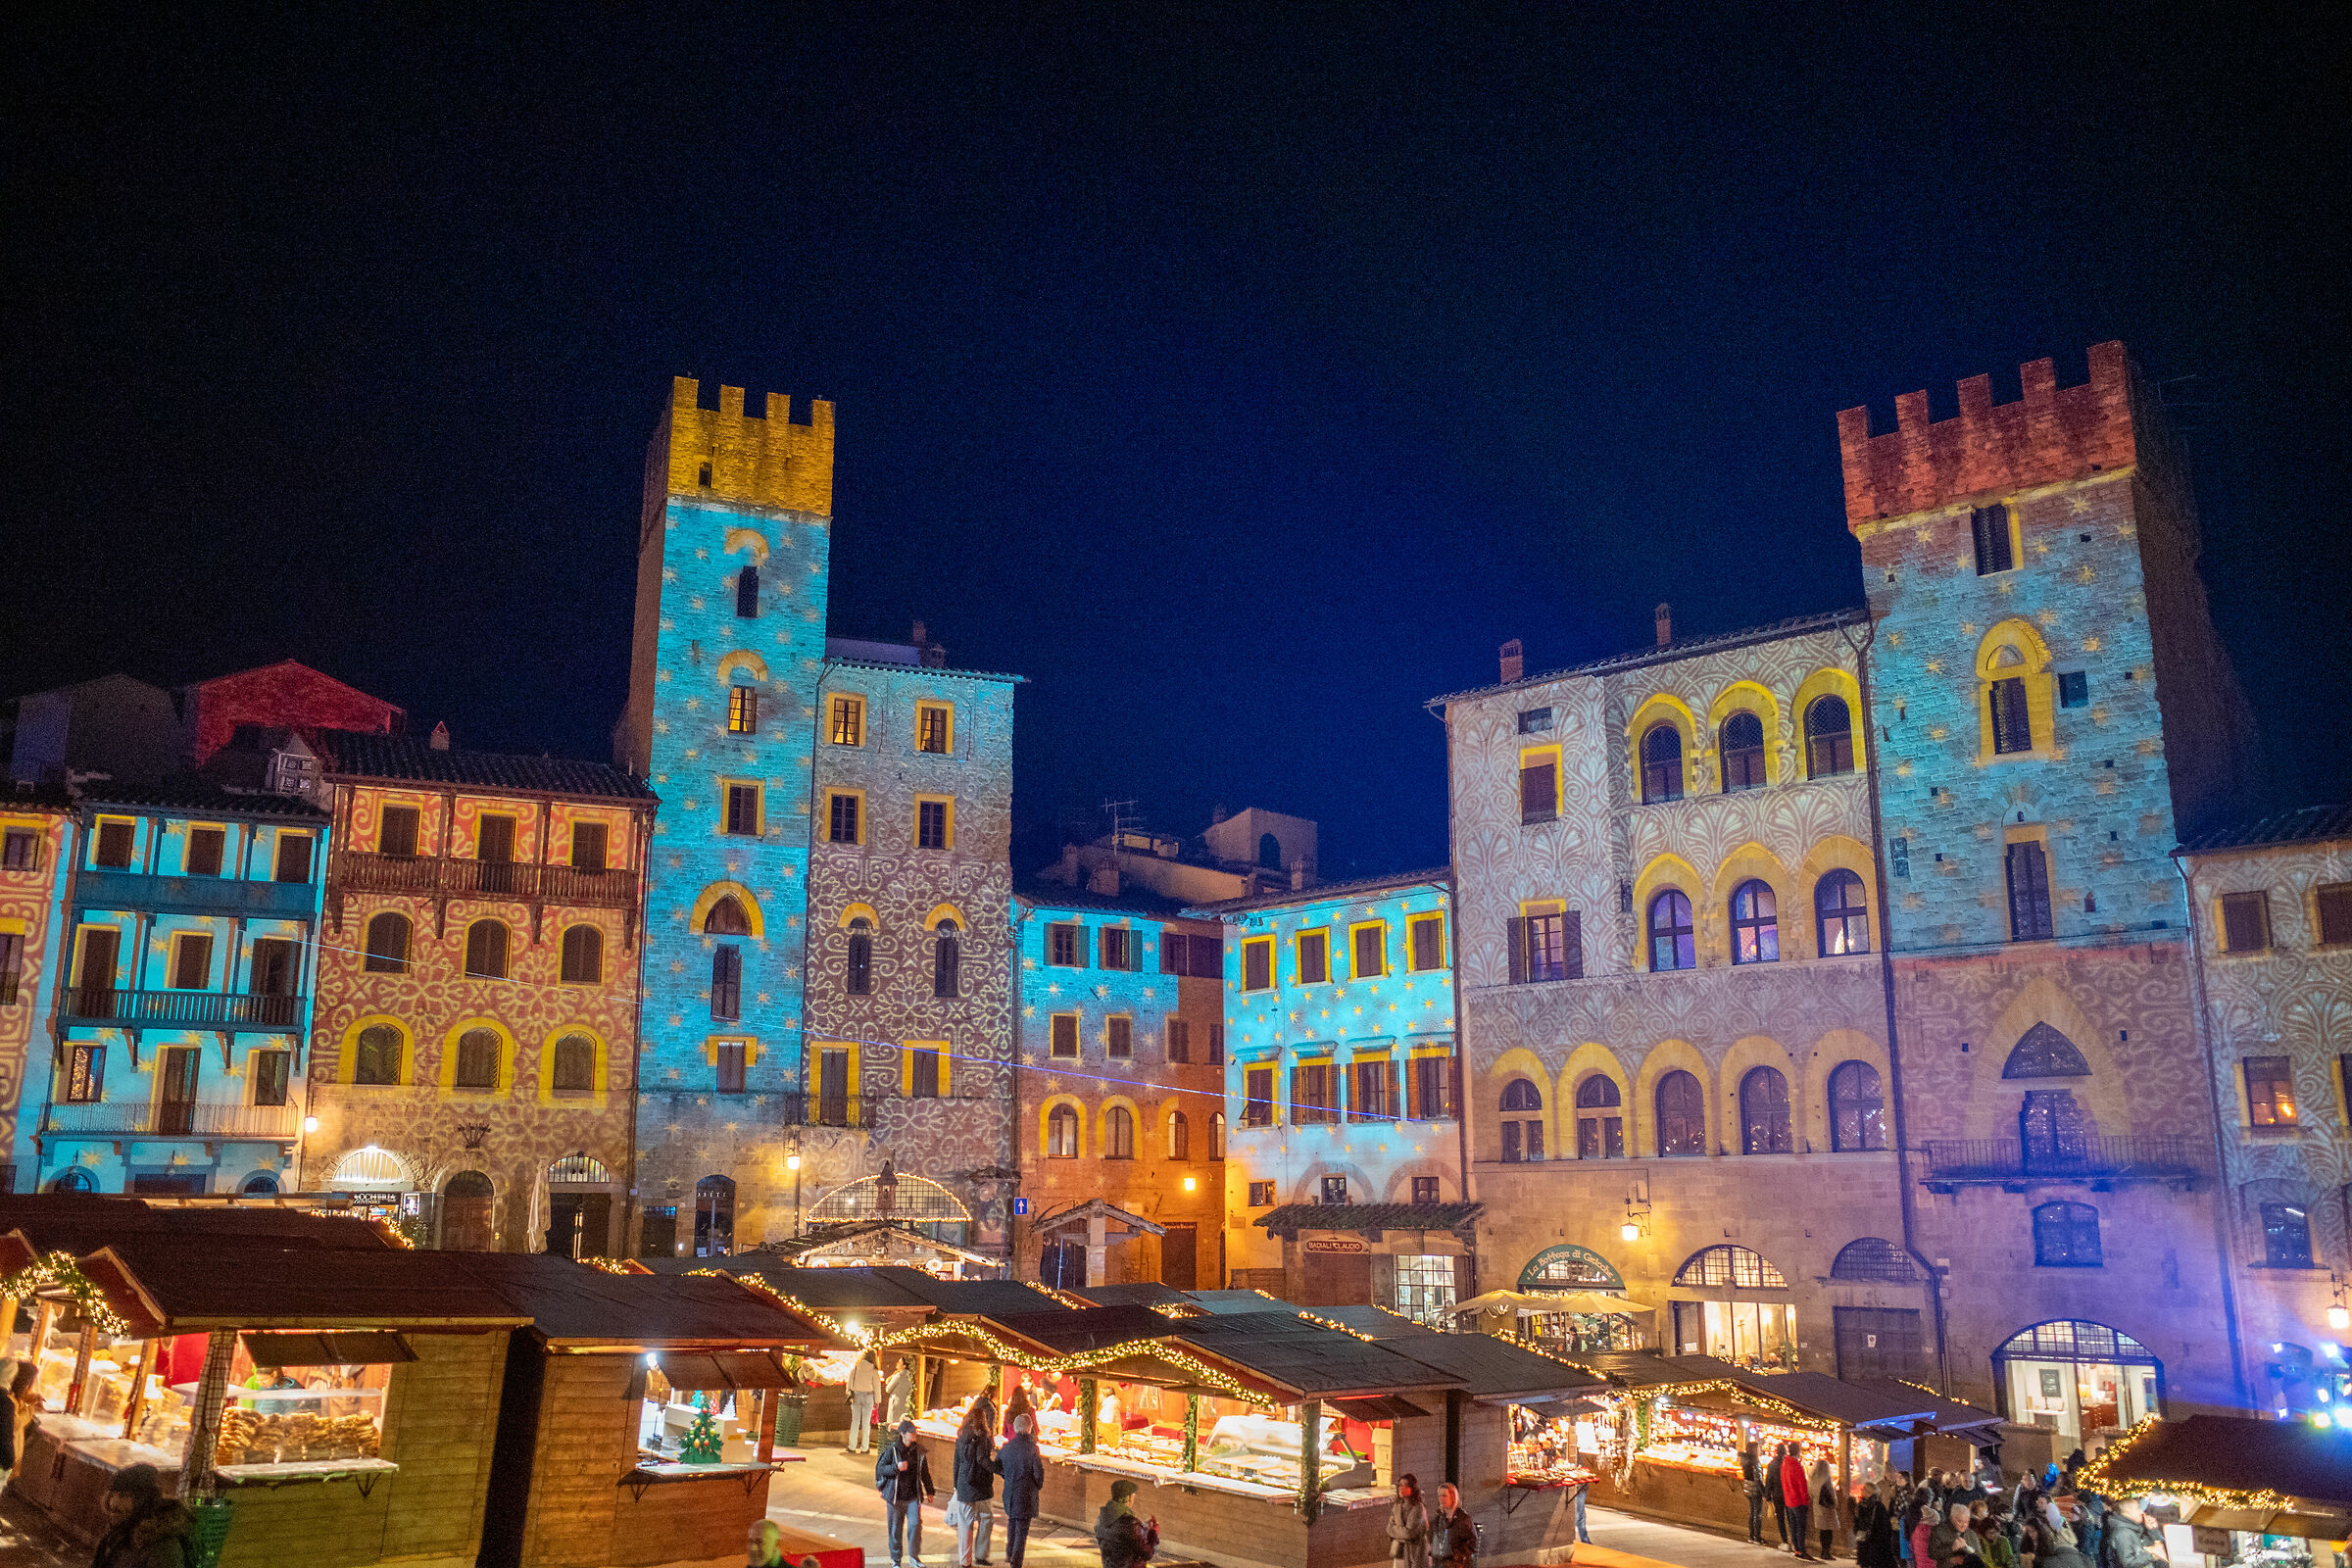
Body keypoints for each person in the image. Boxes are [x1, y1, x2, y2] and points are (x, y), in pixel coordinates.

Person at [90, 1463, 195, 1568]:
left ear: (142, 1501)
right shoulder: (118, 1535)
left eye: (124, 1496)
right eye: (112, 1495)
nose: (113, 1503)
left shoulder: (162, 1547)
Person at [877, 1418, 937, 1568]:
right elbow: (881, 1468)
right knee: (895, 1529)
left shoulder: (919, 1451)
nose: (914, 1434)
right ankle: (896, 1560)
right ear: (903, 1434)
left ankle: (914, 1558)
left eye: (914, 1431)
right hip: (895, 1497)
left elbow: (925, 1473)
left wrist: (930, 1491)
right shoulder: (892, 1450)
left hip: (912, 1497)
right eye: (911, 1432)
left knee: (915, 1525)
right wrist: (896, 1468)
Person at [954, 1399, 1001, 1568]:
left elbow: (956, 1462)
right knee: (986, 1518)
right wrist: (998, 1469)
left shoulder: (961, 1438)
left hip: (965, 1485)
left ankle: (964, 1560)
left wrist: (956, 1484)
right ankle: (981, 1554)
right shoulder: (983, 1437)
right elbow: (982, 1460)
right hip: (981, 1485)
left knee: (965, 1523)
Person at [998, 1413, 1045, 1568]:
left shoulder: (1007, 1447)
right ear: (1029, 1428)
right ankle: (1016, 1562)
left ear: (1015, 1428)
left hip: (1010, 1494)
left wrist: (1007, 1477)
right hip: (1026, 1495)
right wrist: (1036, 1486)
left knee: (1012, 1522)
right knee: (1022, 1530)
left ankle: (1009, 1553)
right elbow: (1038, 1473)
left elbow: (998, 1466)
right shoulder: (1032, 1449)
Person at [1095, 1477, 1156, 1568]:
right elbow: (1147, 1554)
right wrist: (1153, 1533)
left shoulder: (1101, 1519)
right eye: (1133, 1496)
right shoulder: (1131, 1524)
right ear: (1129, 1498)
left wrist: (1141, 1529)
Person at [2103, 1499, 2167, 1568]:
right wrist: (2152, 1556)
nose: (2141, 1512)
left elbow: (2154, 1545)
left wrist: (2152, 1529)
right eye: (2138, 1508)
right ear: (2128, 1512)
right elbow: (2128, 1564)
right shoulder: (2123, 1533)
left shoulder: (2135, 1528)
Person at [1387, 1473, 1430, 1568]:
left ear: (1412, 1488)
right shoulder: (1397, 1506)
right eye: (1400, 1485)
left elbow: (1409, 1533)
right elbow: (1389, 1529)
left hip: (1414, 1553)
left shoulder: (1418, 1507)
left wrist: (1396, 1532)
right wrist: (1401, 1532)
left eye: (1405, 1485)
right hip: (1399, 1552)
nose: (1402, 1488)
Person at [1431, 1482, 1477, 1568]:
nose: (1441, 1499)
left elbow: (1471, 1541)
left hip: (1457, 1563)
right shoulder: (1439, 1518)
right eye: (1439, 1496)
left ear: (1452, 1497)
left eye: (1444, 1496)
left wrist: (1458, 1555)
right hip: (1441, 1562)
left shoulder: (1462, 1518)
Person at [1782, 1443, 1815, 1560]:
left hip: (1789, 1500)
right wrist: (1806, 1500)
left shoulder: (1784, 1464)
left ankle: (1796, 1549)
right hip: (1798, 1501)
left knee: (1793, 1526)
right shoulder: (1797, 1466)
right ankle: (1801, 1551)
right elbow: (1802, 1486)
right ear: (1798, 1451)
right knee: (1801, 1527)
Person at [1854, 1480, 1898, 1568]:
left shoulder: (1878, 1507)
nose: (1862, 1491)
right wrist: (1857, 1531)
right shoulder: (1861, 1505)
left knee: (1875, 1563)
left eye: (1864, 1489)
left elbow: (1884, 1526)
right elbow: (1857, 1521)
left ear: (1869, 1492)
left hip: (1876, 1544)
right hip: (1864, 1542)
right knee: (1865, 1563)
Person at [848, 1352, 883, 1453]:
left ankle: (852, 1446)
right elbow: (877, 1386)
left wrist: (849, 1393)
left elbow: (849, 1383)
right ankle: (865, 1447)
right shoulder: (873, 1370)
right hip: (869, 1396)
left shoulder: (855, 1368)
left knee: (855, 1421)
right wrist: (877, 1400)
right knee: (866, 1423)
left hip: (856, 1396)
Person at [1743, 1441, 1769, 1544]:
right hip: (1755, 1490)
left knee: (1752, 1512)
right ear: (1754, 1450)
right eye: (1758, 1449)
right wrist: (1764, 1492)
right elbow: (1758, 1478)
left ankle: (1751, 1535)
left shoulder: (1745, 1460)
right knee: (1757, 1514)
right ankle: (1757, 1536)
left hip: (1748, 1489)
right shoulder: (1755, 1462)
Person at [1813, 1457, 1839, 1559]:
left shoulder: (1814, 1480)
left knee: (1822, 1531)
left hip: (1817, 1509)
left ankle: (1823, 1552)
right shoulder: (1827, 1481)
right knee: (1828, 1532)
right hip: (1827, 1510)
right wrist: (1835, 1504)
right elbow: (1833, 1498)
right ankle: (1826, 1552)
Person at [886, 1360, 916, 1429]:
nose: (897, 1363)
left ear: (904, 1366)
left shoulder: (898, 1376)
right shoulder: (911, 1376)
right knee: (902, 1424)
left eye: (899, 1362)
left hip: (895, 1403)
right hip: (905, 1403)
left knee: (893, 1425)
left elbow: (888, 1389)